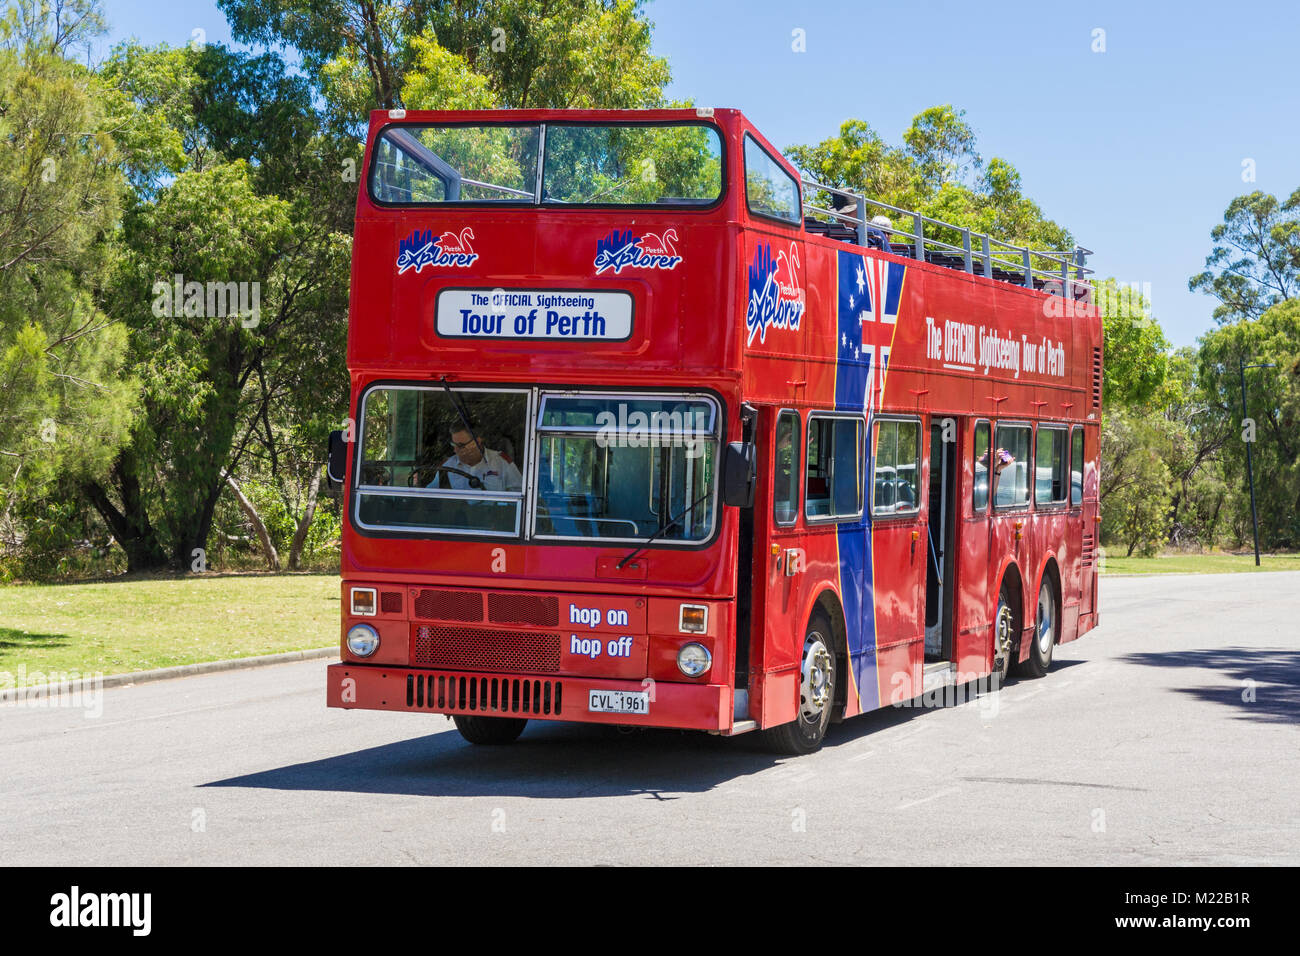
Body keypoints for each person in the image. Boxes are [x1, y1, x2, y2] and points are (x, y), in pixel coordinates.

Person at [429, 427, 522, 492]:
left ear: (477, 442)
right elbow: (428, 496)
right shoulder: (448, 467)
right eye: (453, 444)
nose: (455, 450)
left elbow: (520, 496)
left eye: (460, 445)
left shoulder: (501, 463)